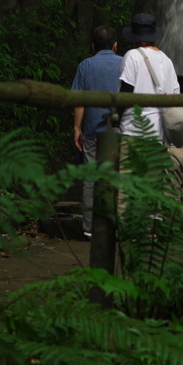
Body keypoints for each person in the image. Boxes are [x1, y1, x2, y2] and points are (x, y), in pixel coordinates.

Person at [72, 25, 123, 238]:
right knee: (119, 176)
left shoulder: (85, 65)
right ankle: (117, 226)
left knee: (91, 178)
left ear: (93, 46)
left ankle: (88, 228)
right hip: (120, 130)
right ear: (115, 45)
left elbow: (79, 101)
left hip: (92, 130)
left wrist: (77, 128)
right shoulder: (125, 64)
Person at [118, 13, 181, 141]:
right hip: (160, 135)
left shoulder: (132, 55)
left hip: (134, 131)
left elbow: (126, 93)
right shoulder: (167, 60)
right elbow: (176, 97)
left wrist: (114, 121)